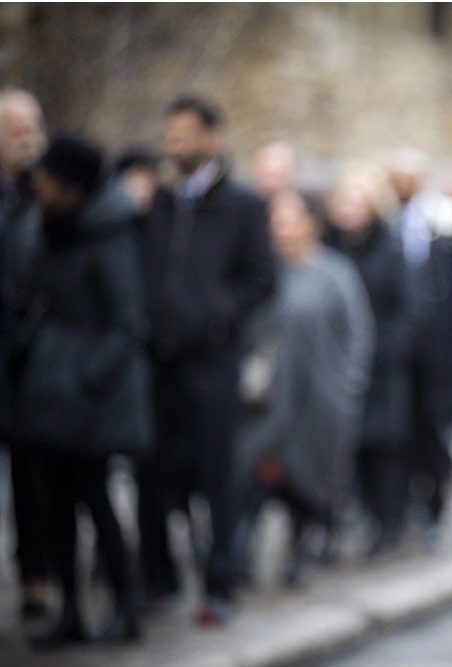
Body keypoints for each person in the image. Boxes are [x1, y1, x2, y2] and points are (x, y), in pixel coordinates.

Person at [137, 96, 275, 626]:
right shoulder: (162, 202)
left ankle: (220, 583)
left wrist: (220, 317)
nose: (174, 142)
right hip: (162, 363)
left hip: (213, 367)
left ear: (211, 137)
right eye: (169, 133)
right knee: (153, 472)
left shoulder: (242, 203)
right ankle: (159, 579)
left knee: (219, 479)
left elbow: (262, 280)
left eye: (185, 132)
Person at [13, 135, 151, 647]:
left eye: (47, 177)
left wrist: (82, 377)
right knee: (57, 509)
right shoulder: (47, 227)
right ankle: (72, 611)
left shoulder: (110, 234)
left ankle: (126, 607)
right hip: (50, 390)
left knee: (96, 502)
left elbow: (126, 323)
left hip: (90, 397)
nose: (39, 186)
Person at [238, 188, 373, 584]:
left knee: (308, 480)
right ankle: (242, 554)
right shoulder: (264, 274)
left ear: (310, 224)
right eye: (274, 221)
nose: (280, 229)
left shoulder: (335, 274)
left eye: (289, 220)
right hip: (266, 402)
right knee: (255, 475)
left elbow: (358, 335)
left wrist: (347, 388)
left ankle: (302, 548)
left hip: (320, 401)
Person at [323, 165, 413, 556]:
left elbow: (407, 308)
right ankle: (353, 516)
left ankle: (388, 523)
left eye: (356, 201)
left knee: (384, 451)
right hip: (337, 366)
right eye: (342, 201)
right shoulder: (327, 248)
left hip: (383, 367)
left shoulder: (388, 248)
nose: (347, 209)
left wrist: (385, 351)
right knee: (350, 448)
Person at [0, 88, 51, 620]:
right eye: (16, 126)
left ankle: (37, 573)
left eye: (33, 123)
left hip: (35, 356)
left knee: (34, 475)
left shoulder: (49, 194)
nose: (27, 135)